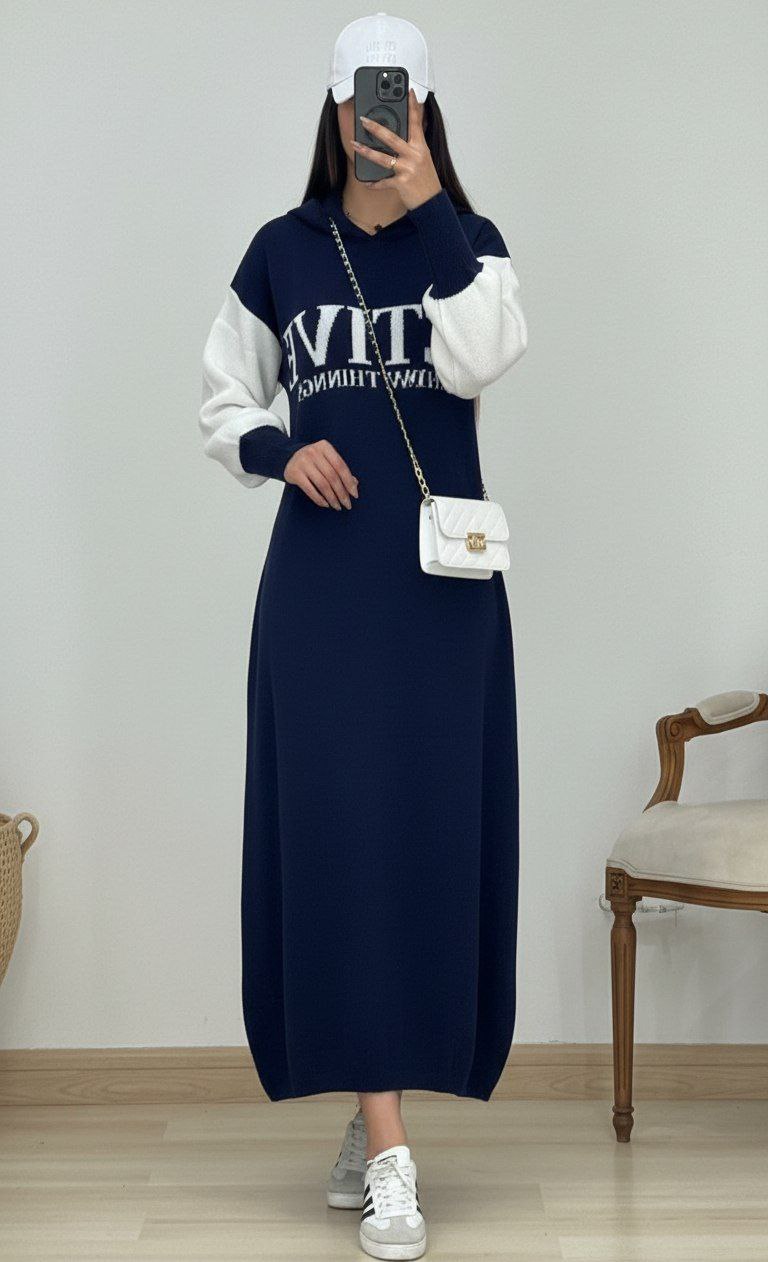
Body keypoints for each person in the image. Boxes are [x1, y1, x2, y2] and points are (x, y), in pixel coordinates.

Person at [199, 13, 528, 1259]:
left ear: (424, 113)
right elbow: (221, 400)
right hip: (324, 599)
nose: (373, 119)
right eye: (357, 100)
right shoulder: (281, 250)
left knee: (426, 846)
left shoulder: (470, 245)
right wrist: (284, 448)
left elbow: (487, 355)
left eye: (398, 101)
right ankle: (389, 1146)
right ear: (332, 108)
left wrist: (432, 203)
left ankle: (367, 1105)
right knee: (337, 846)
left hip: (444, 601)